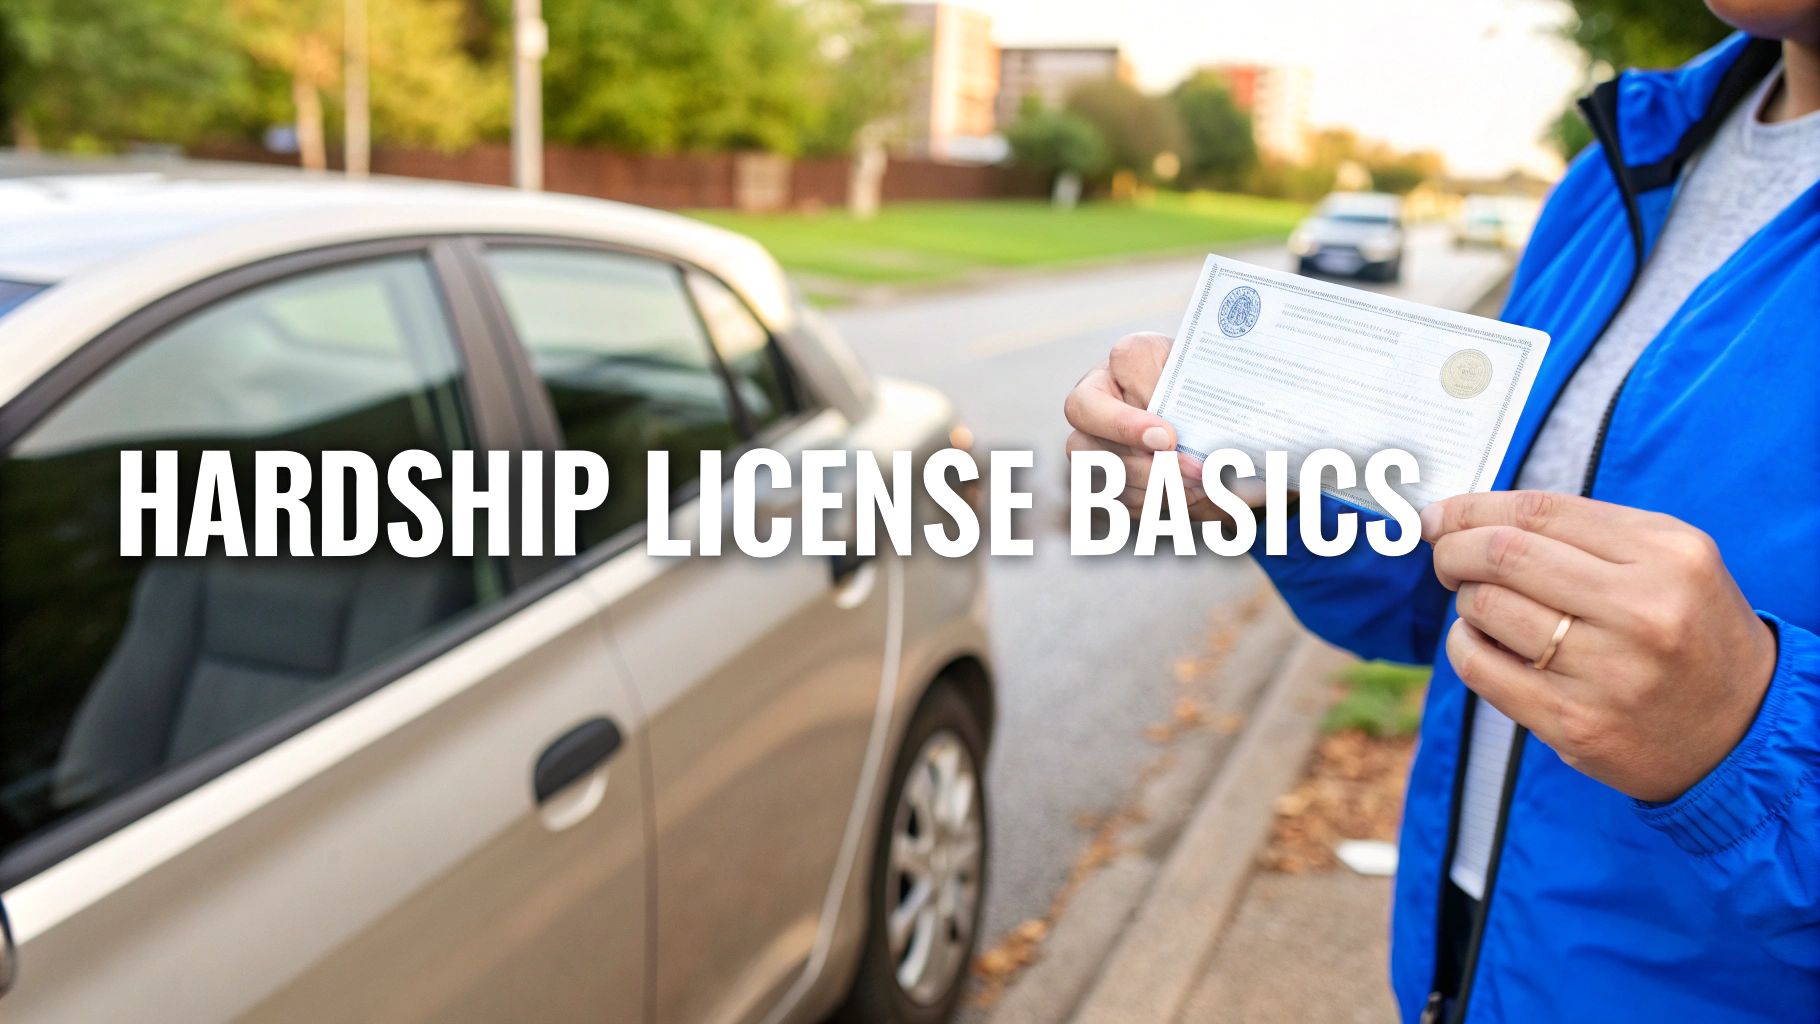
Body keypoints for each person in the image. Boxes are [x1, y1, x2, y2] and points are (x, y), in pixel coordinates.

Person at [1063, 7, 1820, 1022]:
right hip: (1471, 971)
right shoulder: (1629, 157)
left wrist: (1742, 733)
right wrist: (1264, 479)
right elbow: (1445, 597)